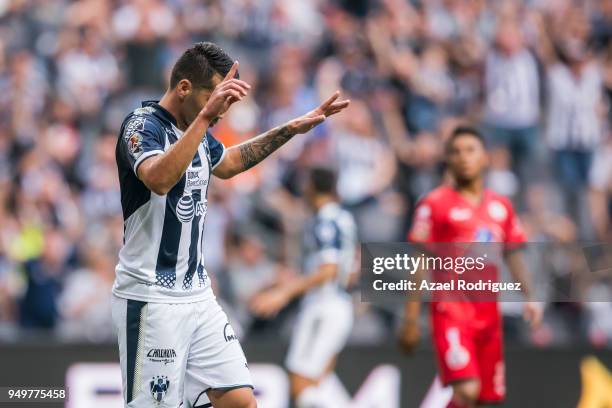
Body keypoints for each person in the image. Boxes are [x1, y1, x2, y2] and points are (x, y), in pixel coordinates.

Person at [111, 42, 350, 408]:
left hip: (198, 294)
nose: (223, 108)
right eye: (216, 96)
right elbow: (158, 179)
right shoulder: (142, 125)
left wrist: (291, 129)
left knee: (240, 400)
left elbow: (230, 162)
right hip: (151, 297)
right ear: (185, 88)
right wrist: (206, 117)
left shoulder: (196, 130)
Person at [398, 126, 543, 408]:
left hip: (488, 316)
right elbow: (419, 262)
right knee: (467, 390)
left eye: (470, 150)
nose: (463, 157)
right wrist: (411, 318)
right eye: (455, 152)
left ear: (485, 157)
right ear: (448, 160)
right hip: (450, 312)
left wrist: (530, 296)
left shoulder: (501, 207)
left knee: (484, 400)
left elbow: (513, 254)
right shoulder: (434, 204)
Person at [250, 167, 357, 408]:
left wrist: (283, 293)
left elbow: (329, 268)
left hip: (324, 307)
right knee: (320, 381)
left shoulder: (326, 220)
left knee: (302, 381)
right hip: (336, 304)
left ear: (311, 187)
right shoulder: (343, 217)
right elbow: (347, 268)